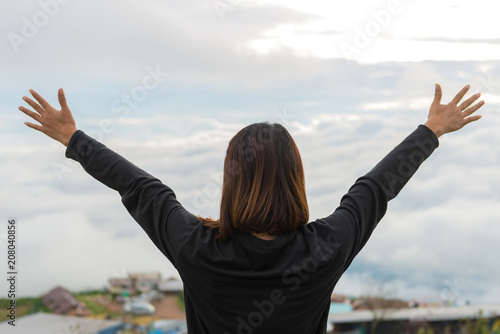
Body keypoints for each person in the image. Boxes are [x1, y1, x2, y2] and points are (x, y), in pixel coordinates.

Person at [19, 84, 484, 333]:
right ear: (295, 180)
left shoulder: (194, 248)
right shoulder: (327, 248)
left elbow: (140, 188)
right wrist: (430, 131)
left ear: (231, 181)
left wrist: (72, 139)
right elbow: (375, 189)